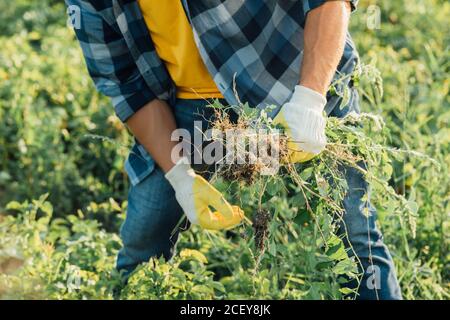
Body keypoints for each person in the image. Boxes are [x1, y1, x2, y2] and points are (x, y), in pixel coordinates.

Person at [66, 0, 402, 299]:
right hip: (188, 104)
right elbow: (128, 87)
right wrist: (180, 177)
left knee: (356, 232)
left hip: (295, 73)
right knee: (145, 237)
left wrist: (311, 100)